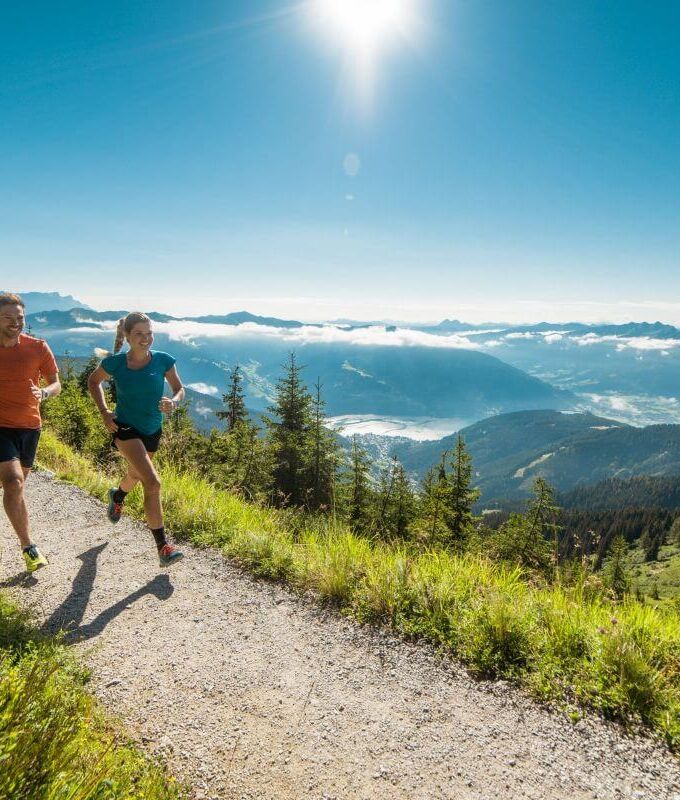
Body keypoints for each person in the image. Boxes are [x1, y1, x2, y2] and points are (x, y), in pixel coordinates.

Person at [88, 311, 185, 567]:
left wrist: (173, 403)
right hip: (125, 428)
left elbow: (179, 389)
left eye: (149, 333)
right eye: (140, 334)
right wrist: (105, 412)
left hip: (152, 428)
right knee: (152, 483)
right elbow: (93, 381)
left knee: (136, 474)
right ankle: (163, 547)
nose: (146, 339)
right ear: (128, 336)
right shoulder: (116, 363)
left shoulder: (163, 360)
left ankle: (117, 496)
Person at [0, 292, 61, 572]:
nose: (16, 323)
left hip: (30, 426)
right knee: (12, 482)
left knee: (16, 488)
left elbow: (55, 383)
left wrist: (44, 393)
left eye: (20, 318)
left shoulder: (37, 348)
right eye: (9, 318)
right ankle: (29, 547)